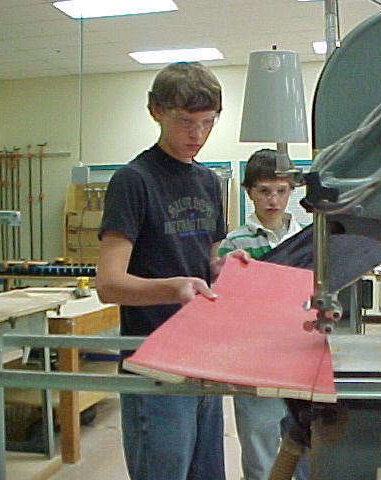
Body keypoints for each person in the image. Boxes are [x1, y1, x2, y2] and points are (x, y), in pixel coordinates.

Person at [96, 61, 248, 480]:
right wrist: (175, 289)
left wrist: (229, 269)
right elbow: (109, 284)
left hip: (202, 354)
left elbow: (209, 263)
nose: (197, 134)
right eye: (185, 121)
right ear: (155, 111)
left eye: (207, 122)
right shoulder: (133, 181)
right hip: (154, 361)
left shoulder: (209, 182)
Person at [218, 149, 309, 480]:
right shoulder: (235, 243)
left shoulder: (305, 238)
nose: (273, 199)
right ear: (248, 191)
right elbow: (224, 304)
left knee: (306, 442)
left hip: (300, 356)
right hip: (253, 359)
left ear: (291, 192)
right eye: (264, 191)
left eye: (282, 191)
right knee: (260, 446)